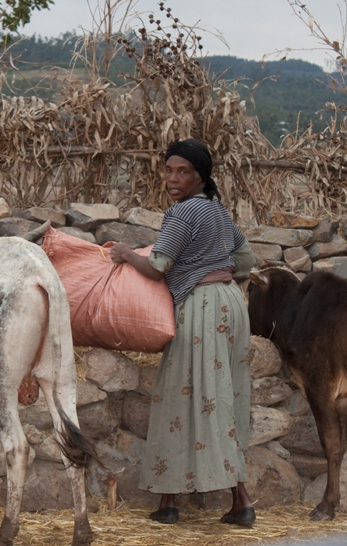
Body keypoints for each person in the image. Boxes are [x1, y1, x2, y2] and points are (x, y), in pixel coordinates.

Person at [110, 138, 256, 526]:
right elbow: (246, 260)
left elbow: (158, 267)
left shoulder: (182, 213)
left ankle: (174, 504)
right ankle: (236, 501)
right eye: (169, 170)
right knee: (224, 396)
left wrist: (126, 254)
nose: (173, 179)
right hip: (230, 306)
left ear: (200, 176)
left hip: (202, 309)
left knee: (179, 397)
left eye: (183, 172)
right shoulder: (217, 211)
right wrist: (217, 270)